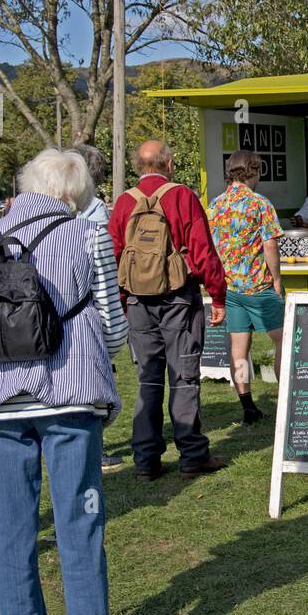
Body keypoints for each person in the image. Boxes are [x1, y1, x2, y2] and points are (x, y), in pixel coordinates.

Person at [0, 148, 141, 615]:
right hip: (68, 398)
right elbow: (113, 323)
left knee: (11, 542)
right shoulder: (87, 233)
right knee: (80, 533)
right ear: (73, 194)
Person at [108, 140, 229, 481]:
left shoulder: (124, 202)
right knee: (183, 377)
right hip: (178, 297)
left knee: (148, 379)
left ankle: (146, 461)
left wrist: (123, 299)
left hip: (137, 302)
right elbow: (203, 251)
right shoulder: (182, 197)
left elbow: (115, 254)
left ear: (138, 165)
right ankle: (192, 455)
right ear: (169, 164)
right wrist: (217, 296)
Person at [208, 150, 285, 425]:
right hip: (258, 285)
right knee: (283, 341)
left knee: (239, 349)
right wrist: (276, 278)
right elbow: (270, 244)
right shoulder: (259, 203)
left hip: (231, 289)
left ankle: (248, 406)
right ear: (252, 171)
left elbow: (212, 247)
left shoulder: (216, 205)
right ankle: (287, 401)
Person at [68, 144, 125, 472]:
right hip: (85, 311)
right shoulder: (96, 212)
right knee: (93, 384)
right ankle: (95, 451)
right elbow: (103, 270)